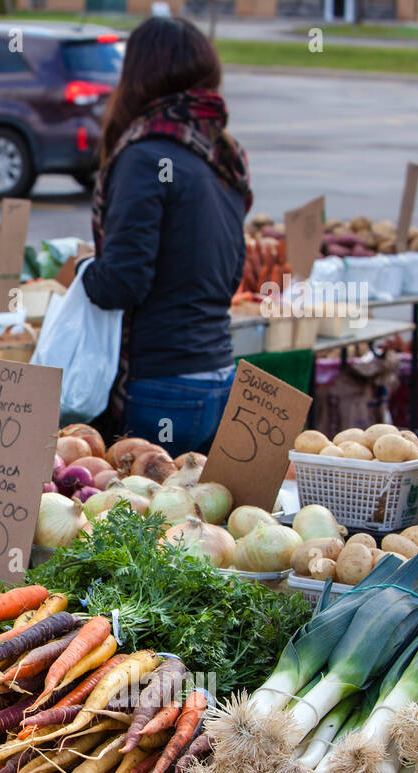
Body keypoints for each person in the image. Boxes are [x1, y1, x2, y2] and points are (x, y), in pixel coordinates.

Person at [80, 17, 252, 457]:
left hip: (162, 386)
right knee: (192, 525)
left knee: (139, 522)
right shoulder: (221, 155)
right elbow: (232, 272)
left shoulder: (145, 156)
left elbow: (123, 280)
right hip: (218, 379)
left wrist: (84, 272)